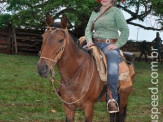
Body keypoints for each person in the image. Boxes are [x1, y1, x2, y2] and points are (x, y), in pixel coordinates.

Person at [85, 0, 129, 113]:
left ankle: (112, 99)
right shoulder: (95, 12)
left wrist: (117, 44)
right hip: (94, 43)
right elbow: (88, 29)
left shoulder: (116, 12)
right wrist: (89, 40)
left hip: (109, 45)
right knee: (74, 57)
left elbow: (125, 30)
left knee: (113, 68)